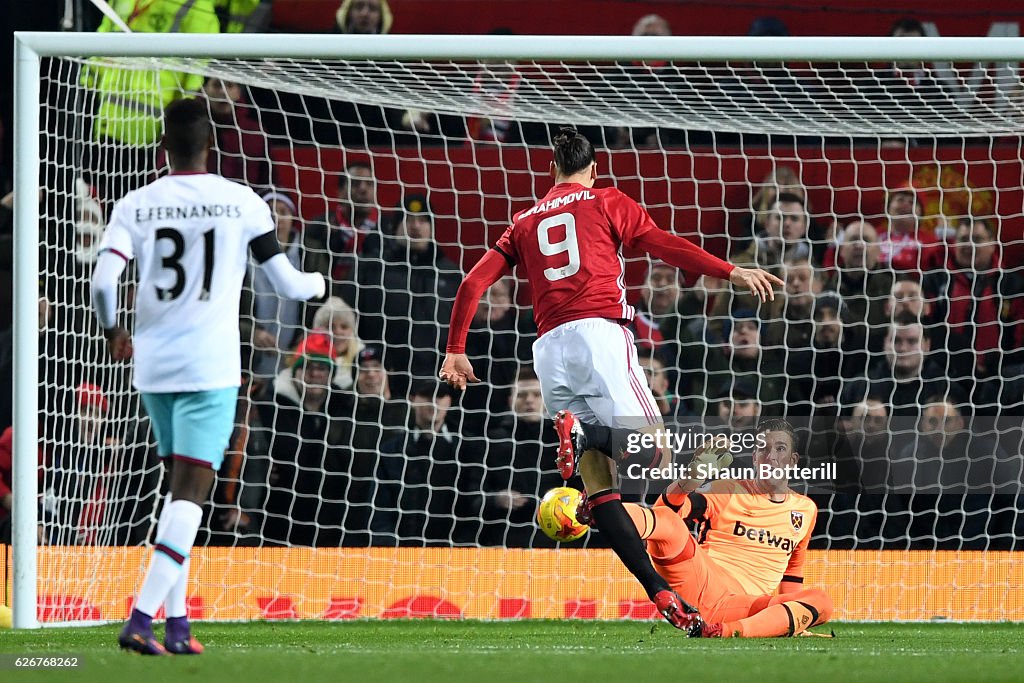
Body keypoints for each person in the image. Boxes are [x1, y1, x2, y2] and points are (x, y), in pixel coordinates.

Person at [439, 126, 782, 632]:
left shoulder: (522, 221)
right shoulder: (606, 200)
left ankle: (660, 592)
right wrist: (729, 271)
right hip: (600, 335)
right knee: (653, 451)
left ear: (551, 169)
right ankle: (583, 435)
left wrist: (454, 350)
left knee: (603, 492)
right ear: (594, 169)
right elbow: (663, 245)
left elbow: (472, 282)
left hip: (548, 349)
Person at [90, 98, 325, 655]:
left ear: (162, 145)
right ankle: (141, 618)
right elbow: (290, 285)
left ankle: (177, 626)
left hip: (152, 365)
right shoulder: (240, 200)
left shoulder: (135, 204)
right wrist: (318, 284)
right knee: (194, 496)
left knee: (178, 497)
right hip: (209, 366)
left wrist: (112, 332)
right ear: (211, 144)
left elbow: (102, 282)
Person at [616, 419, 833, 638]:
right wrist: (689, 481)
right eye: (763, 449)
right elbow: (667, 513)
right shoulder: (728, 489)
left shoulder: (806, 510)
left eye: (780, 449)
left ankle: (720, 632)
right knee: (668, 520)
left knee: (822, 601)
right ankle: (601, 513)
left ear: (793, 460)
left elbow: (792, 573)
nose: (771, 457)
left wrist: (796, 619)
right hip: (701, 583)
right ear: (754, 458)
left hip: (744, 608)